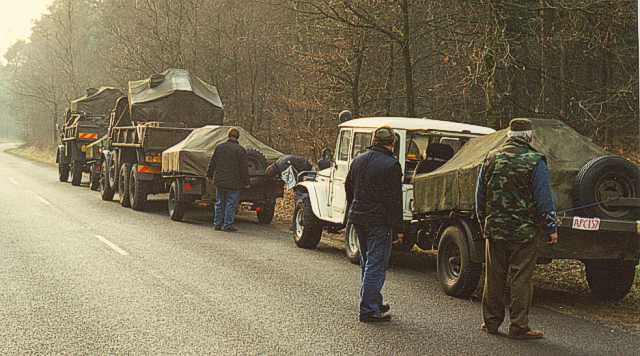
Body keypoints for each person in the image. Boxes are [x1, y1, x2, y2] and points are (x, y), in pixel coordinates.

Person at [475, 118, 559, 339]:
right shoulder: (534, 161)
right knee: (520, 278)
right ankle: (519, 326)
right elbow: (543, 199)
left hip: (495, 228)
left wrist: (484, 220)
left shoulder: (491, 157)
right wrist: (550, 227)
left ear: (509, 136)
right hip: (524, 231)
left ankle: (491, 323)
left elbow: (479, 196)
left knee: (494, 276)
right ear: (529, 137)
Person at [345, 126, 404, 323]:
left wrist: (355, 205)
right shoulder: (391, 165)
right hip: (378, 220)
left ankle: (373, 302)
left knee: (367, 261)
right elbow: (395, 200)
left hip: (358, 217)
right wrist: (398, 228)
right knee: (376, 264)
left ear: (374, 140)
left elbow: (348, 187)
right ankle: (369, 309)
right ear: (392, 143)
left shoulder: (359, 159)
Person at [206, 128, 249, 232]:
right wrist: (246, 182)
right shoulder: (240, 150)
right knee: (231, 203)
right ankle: (227, 225)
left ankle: (217, 224)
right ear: (238, 137)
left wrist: (209, 175)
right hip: (234, 182)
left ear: (228, 135)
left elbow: (213, 163)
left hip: (220, 181)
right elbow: (244, 168)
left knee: (219, 202)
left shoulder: (219, 147)